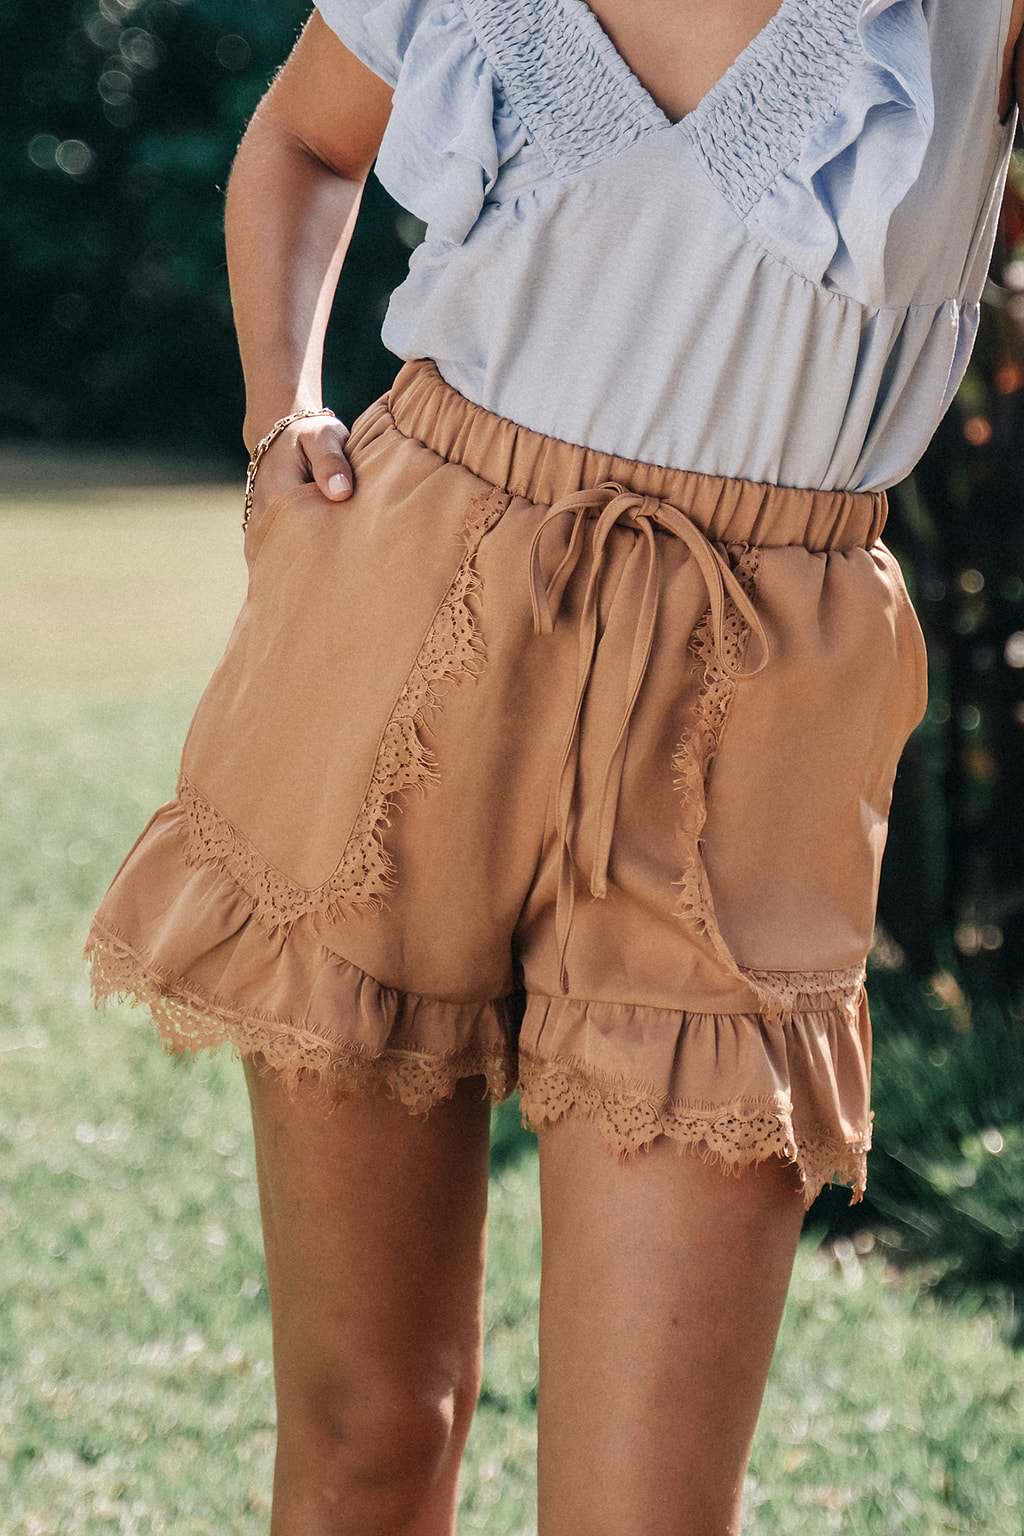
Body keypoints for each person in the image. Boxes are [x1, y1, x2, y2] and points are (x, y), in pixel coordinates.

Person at [83, 1, 1024, 1531]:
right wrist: (283, 419)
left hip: (758, 687)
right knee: (371, 1432)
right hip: (410, 613)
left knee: (644, 1510)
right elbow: (304, 145)